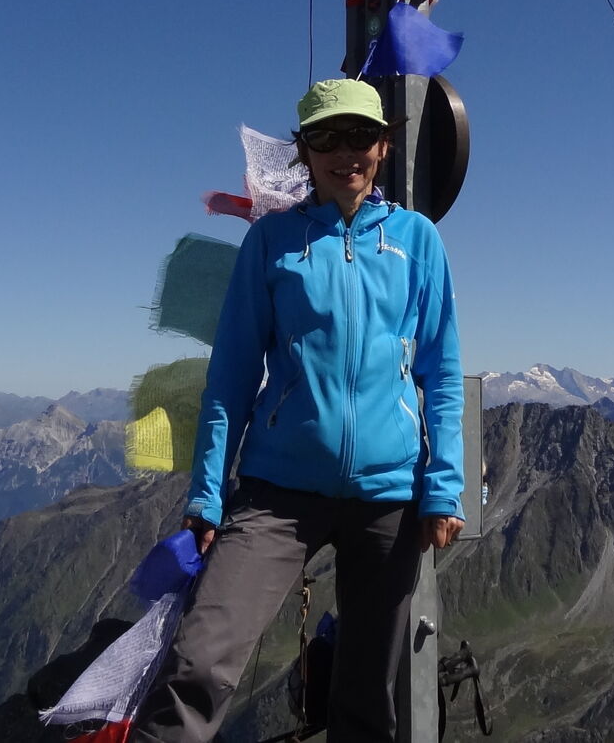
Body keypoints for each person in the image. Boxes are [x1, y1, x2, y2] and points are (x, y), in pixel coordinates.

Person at [130, 78, 465, 743]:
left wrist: (444, 486)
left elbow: (442, 370)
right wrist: (207, 494)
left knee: (366, 694)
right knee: (200, 660)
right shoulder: (271, 241)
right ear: (304, 152)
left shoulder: (418, 240)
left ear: (384, 145)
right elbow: (231, 375)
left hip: (389, 496)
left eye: (360, 136)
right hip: (277, 491)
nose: (345, 152)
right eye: (324, 138)